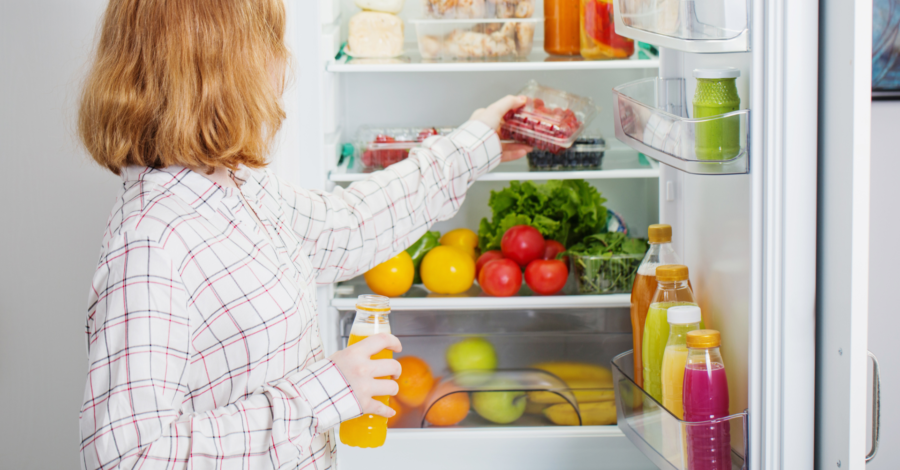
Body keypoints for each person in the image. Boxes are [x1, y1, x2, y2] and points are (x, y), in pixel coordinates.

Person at [75, 1, 530, 469]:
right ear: (221, 67)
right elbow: (130, 457)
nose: (284, 59)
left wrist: (478, 141)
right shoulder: (151, 243)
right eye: (270, 41)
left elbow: (349, 226)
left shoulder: (236, 184)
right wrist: (324, 392)